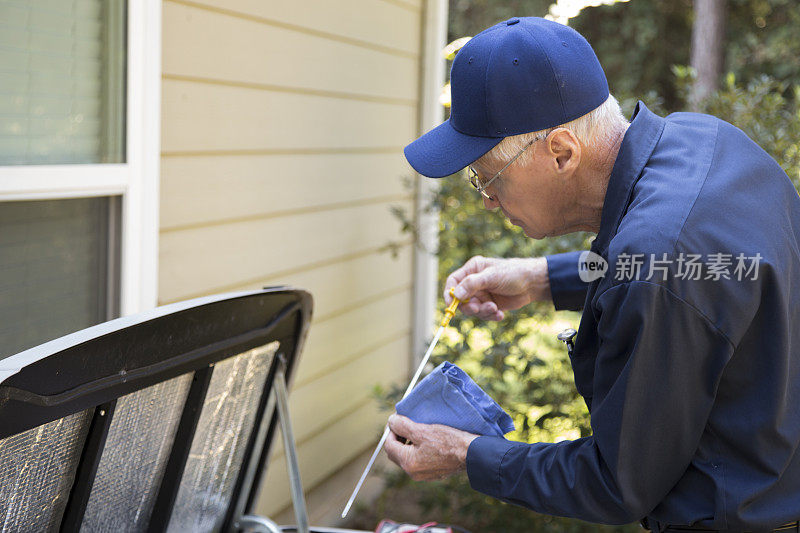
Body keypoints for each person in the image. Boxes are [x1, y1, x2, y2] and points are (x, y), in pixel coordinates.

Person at [383, 16, 800, 532]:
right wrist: (542, 277)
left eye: (486, 175)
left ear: (560, 152)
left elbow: (616, 482)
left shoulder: (655, 264)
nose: (487, 199)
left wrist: (468, 454)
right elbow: (698, 271)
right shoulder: (704, 141)